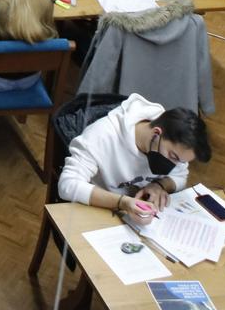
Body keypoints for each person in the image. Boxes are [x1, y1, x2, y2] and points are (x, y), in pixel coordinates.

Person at [56, 92, 209, 221]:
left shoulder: (176, 145)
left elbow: (180, 176)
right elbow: (67, 185)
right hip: (99, 212)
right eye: (173, 157)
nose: (174, 164)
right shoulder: (102, 136)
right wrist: (123, 202)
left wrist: (158, 186)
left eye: (181, 161)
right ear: (156, 134)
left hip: (139, 216)